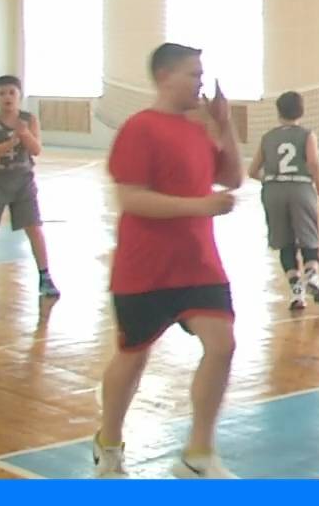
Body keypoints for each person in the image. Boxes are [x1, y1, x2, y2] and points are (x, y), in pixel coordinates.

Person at [93, 43, 245, 479]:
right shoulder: (140, 129)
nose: (201, 82)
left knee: (222, 345)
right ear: (165, 77)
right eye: (193, 74)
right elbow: (132, 198)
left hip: (199, 265)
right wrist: (200, 206)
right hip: (146, 269)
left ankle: (199, 453)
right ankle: (109, 442)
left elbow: (232, 176)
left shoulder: (198, 129)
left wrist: (224, 124)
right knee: (132, 357)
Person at [0, 75, 58, 308]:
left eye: (11, 92)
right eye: (2, 93)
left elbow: (36, 150)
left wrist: (24, 134)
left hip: (23, 183)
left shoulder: (29, 120)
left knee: (34, 229)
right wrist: (9, 143)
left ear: (19, 96)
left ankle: (45, 277)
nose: (7, 97)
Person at [246, 91, 319, 311]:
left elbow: (252, 171)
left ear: (278, 112)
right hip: (300, 188)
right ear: (301, 111)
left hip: (272, 191)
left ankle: (296, 293)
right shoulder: (307, 135)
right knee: (309, 237)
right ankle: (312, 275)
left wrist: (272, 179)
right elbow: (313, 162)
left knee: (285, 242)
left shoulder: (268, 137)